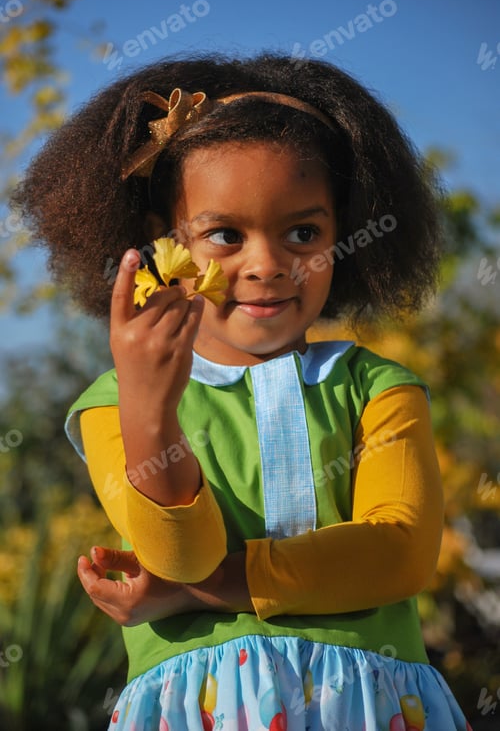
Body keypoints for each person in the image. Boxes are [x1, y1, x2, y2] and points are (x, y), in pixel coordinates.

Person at [13, 51, 473, 730]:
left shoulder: (379, 387)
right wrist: (149, 408)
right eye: (225, 234)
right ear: (166, 243)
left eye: (303, 233)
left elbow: (400, 553)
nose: (267, 265)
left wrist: (195, 591)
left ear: (344, 236)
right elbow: (180, 550)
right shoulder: (113, 403)